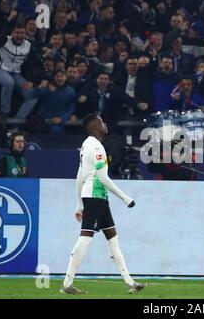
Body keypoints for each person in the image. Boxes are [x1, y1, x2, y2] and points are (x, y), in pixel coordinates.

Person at [61, 113, 146, 295]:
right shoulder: (97, 147)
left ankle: (130, 282)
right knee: (85, 238)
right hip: (95, 196)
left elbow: (79, 176)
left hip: (96, 198)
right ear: (94, 128)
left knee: (113, 239)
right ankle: (67, 283)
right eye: (101, 122)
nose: (105, 125)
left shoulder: (85, 145)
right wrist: (125, 198)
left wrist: (79, 204)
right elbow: (102, 177)